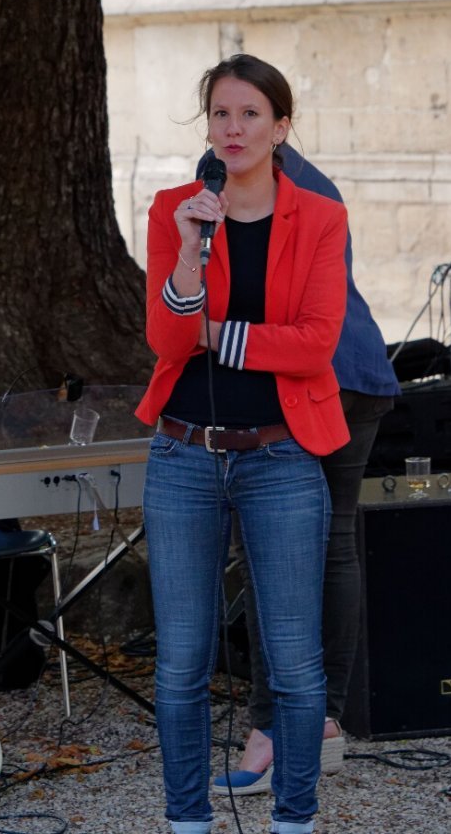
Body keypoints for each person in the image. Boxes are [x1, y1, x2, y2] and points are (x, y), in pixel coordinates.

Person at [137, 54, 349, 834]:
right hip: (182, 457)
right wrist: (193, 245)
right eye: (221, 115)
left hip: (281, 457)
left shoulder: (321, 218)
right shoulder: (174, 211)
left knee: (294, 665)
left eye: (250, 114)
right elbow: (164, 339)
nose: (234, 128)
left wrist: (218, 337)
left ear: (280, 127)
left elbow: (315, 343)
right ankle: (186, 820)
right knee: (181, 663)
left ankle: (295, 819)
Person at [204, 144, 401, 795]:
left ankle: (271, 733)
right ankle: (321, 725)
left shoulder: (238, 183)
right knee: (333, 544)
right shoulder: (316, 182)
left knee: (268, 552)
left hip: (306, 380)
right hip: (363, 370)